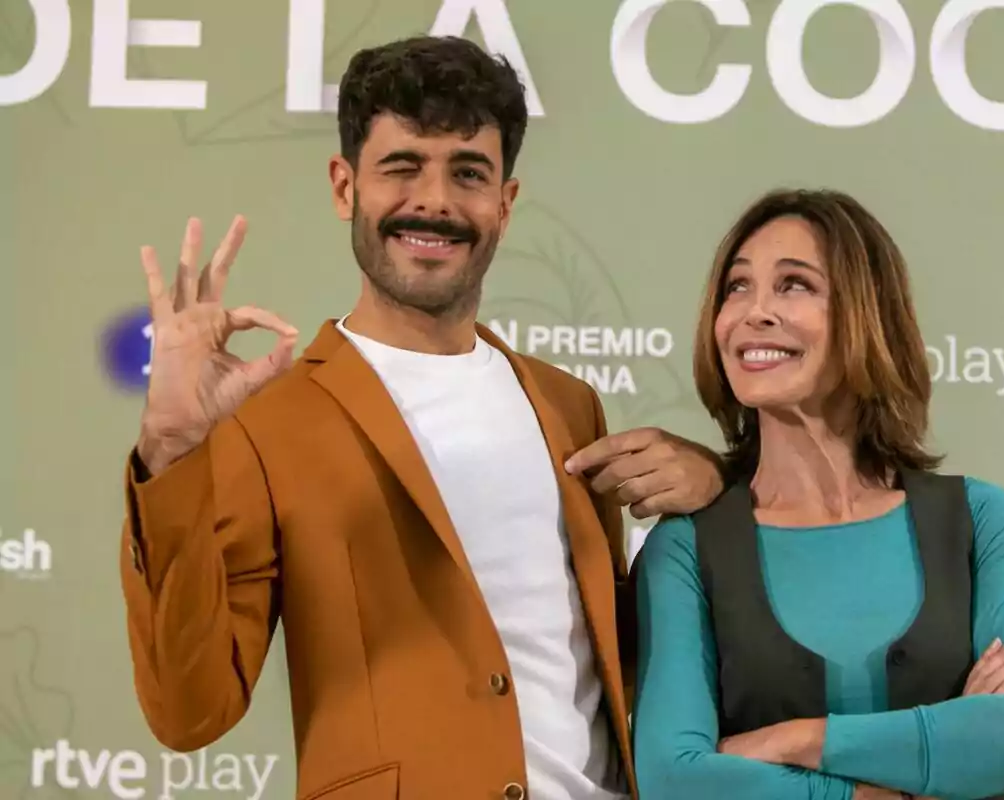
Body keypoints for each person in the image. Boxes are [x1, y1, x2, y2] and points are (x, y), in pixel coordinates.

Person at [119, 36, 726, 800]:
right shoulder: (267, 421)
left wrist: (718, 490)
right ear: (345, 187)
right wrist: (172, 449)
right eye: (402, 167)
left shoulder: (570, 406)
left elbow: (604, 657)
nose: (435, 201)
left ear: (504, 203)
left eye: (467, 173)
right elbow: (189, 710)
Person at [630, 189, 1004, 800]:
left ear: (867, 314)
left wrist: (787, 742)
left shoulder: (976, 520)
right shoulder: (685, 550)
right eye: (737, 287)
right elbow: (676, 779)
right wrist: (926, 762)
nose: (754, 312)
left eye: (794, 285)